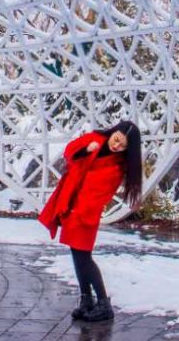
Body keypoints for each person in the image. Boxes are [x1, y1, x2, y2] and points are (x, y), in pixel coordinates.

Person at [37, 120, 142, 323]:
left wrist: (78, 210)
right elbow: (70, 153)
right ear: (114, 132)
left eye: (122, 146)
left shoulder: (116, 166)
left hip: (84, 212)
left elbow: (97, 191)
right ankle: (86, 300)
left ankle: (103, 303)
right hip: (72, 205)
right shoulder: (94, 138)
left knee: (83, 256)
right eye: (117, 139)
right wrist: (86, 150)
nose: (117, 146)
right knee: (77, 255)